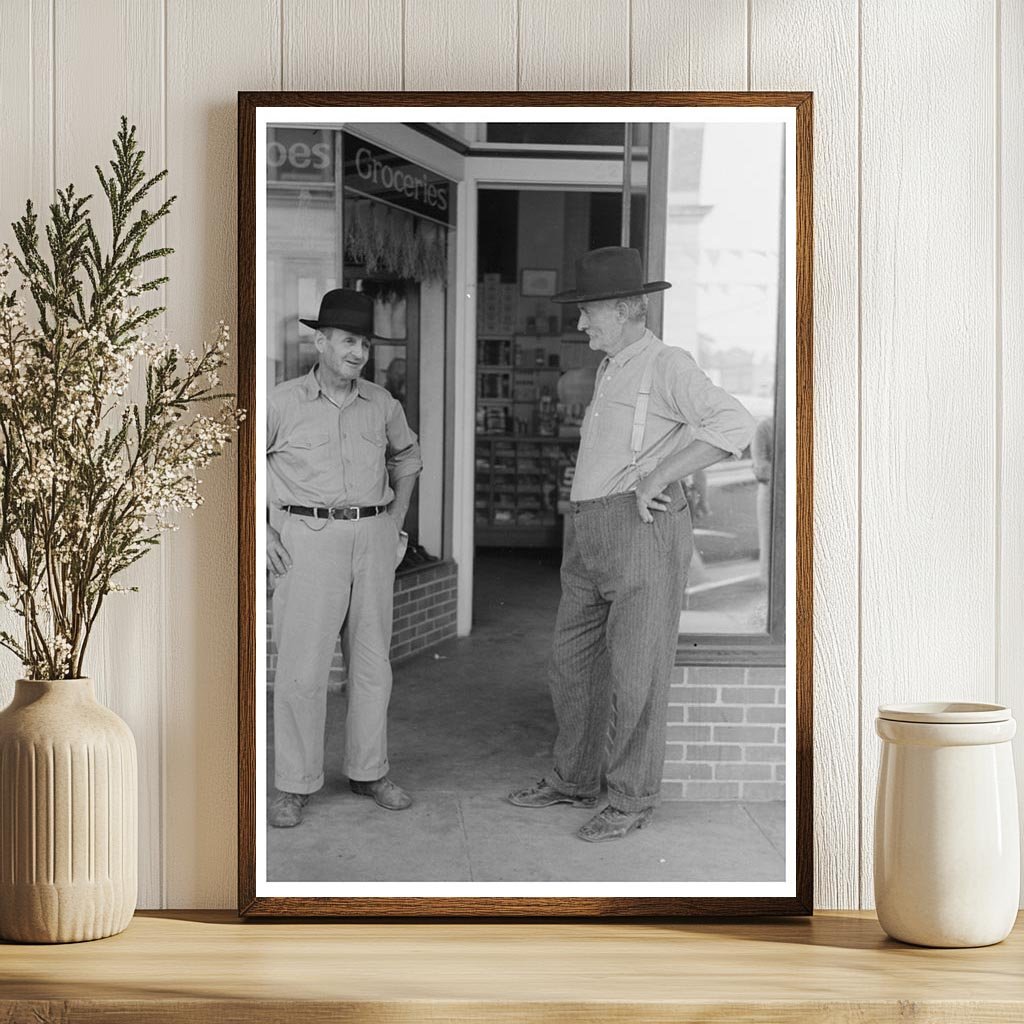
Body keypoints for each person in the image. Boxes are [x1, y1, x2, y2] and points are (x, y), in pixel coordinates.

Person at [508, 247, 755, 842]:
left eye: (588, 311)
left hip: (639, 528)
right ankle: (573, 778)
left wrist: (658, 477)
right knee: (572, 664)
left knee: (636, 672)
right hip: (591, 528)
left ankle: (631, 799)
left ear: (624, 309)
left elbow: (735, 425)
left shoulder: (668, 364)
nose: (580, 323)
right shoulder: (614, 365)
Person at [267, 288, 422, 828]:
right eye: (349, 341)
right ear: (321, 341)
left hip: (372, 539)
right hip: (307, 542)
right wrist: (265, 530)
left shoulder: (382, 404)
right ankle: (294, 784)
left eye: (365, 343)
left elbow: (408, 458)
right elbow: (244, 465)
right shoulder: (282, 402)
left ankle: (369, 770)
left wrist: (395, 523)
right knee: (301, 671)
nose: (359, 352)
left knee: (373, 664)